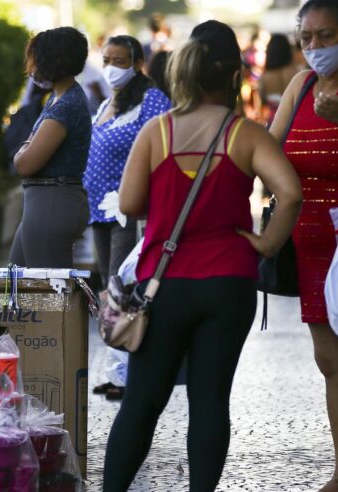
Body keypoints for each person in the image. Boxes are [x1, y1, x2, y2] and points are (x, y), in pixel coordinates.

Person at [103, 20, 302, 491]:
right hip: (229, 283)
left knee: (142, 402)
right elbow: (290, 194)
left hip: (164, 284)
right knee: (210, 400)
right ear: (235, 75)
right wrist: (267, 244)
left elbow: (130, 205)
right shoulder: (246, 134)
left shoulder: (158, 132)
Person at [270, 1, 338, 490]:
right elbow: (268, 152)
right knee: (329, 361)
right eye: (306, 37)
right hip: (308, 242)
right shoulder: (300, 85)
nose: (314, 47)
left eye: (325, 36)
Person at [84, 34, 171, 290]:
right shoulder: (105, 104)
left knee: (120, 287)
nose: (111, 67)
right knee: (108, 286)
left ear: (137, 64)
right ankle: (116, 331)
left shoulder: (151, 100)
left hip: (130, 210)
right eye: (107, 60)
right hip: (99, 211)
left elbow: (164, 149)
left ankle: (129, 331)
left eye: (119, 61)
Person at [10, 27, 91, 268]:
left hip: (52, 201)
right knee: (19, 285)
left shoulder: (66, 105)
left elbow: (25, 163)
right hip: (44, 201)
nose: (31, 68)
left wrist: (24, 147)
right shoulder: (59, 98)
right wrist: (29, 144)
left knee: (48, 297)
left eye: (34, 59)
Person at [258, 34, 299, 125]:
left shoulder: (264, 78)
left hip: (274, 124)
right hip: (296, 122)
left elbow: (262, 101)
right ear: (288, 51)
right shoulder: (298, 74)